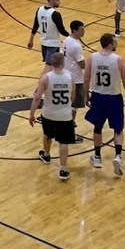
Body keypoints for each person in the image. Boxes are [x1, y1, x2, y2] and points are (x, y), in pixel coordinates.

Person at [84, 33, 125, 176]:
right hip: (114, 97)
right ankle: (118, 155)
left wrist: (86, 95)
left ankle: (97, 156)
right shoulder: (118, 60)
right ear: (110, 44)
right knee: (118, 128)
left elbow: (86, 79)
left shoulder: (92, 58)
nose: (117, 44)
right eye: (115, 42)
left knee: (98, 127)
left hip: (98, 96)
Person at [29, 52, 76, 181]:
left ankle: (47, 155)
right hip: (65, 115)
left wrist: (32, 114)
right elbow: (73, 96)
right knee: (63, 142)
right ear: (63, 62)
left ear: (52, 63)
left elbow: (37, 97)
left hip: (49, 113)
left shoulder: (45, 78)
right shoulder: (70, 77)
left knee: (47, 135)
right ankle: (63, 169)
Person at [27, 0, 69, 75]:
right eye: (57, 0)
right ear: (51, 0)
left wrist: (31, 40)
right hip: (52, 45)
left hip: (43, 44)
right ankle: (40, 87)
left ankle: (49, 86)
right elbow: (61, 29)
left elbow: (35, 25)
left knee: (53, 67)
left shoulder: (40, 10)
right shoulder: (55, 14)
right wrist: (71, 36)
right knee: (49, 67)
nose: (59, 2)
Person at [63, 20, 88, 143]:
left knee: (69, 105)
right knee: (74, 106)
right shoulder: (76, 46)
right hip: (76, 78)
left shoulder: (67, 40)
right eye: (81, 29)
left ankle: (66, 128)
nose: (84, 31)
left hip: (67, 75)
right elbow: (82, 64)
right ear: (74, 30)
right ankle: (69, 133)